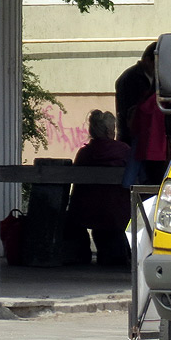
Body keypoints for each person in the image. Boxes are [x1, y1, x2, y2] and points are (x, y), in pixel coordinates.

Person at [64, 110, 131, 266]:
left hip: (86, 211)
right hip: (117, 213)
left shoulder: (84, 153)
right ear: (109, 131)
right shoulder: (123, 151)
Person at [114, 42, 156, 146]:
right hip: (132, 136)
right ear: (147, 60)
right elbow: (129, 111)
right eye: (157, 63)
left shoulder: (156, 78)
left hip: (148, 134)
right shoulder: (130, 78)